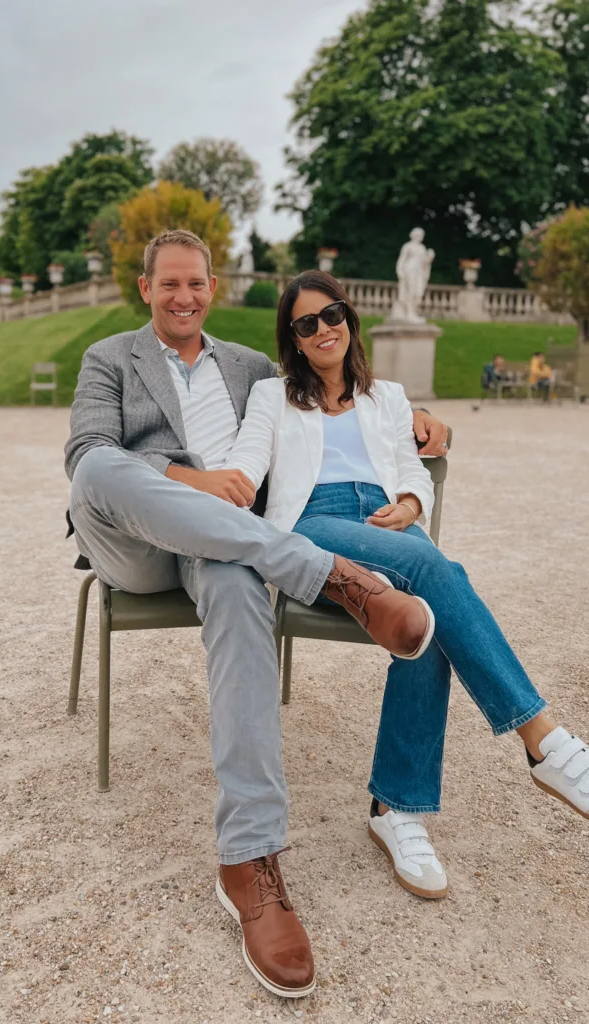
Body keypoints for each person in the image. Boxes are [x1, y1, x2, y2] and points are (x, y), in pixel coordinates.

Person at [65, 230, 449, 1000]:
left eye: (195, 284)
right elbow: (87, 453)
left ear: (213, 288)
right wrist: (187, 480)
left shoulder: (248, 368)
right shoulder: (109, 358)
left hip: (227, 551)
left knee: (241, 578)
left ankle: (248, 859)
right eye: (168, 284)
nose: (183, 297)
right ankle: (331, 577)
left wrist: (420, 417)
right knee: (100, 465)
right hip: (139, 544)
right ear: (146, 289)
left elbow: (334, 393)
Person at [224, 269, 589, 913]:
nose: (322, 329)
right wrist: (188, 483)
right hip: (315, 527)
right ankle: (547, 744)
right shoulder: (273, 398)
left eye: (332, 315)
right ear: (292, 339)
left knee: (430, 612)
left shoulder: (391, 397)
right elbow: (244, 469)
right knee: (443, 573)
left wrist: (410, 502)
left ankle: (395, 808)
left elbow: (413, 472)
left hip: (386, 525)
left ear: (349, 320)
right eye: (305, 324)